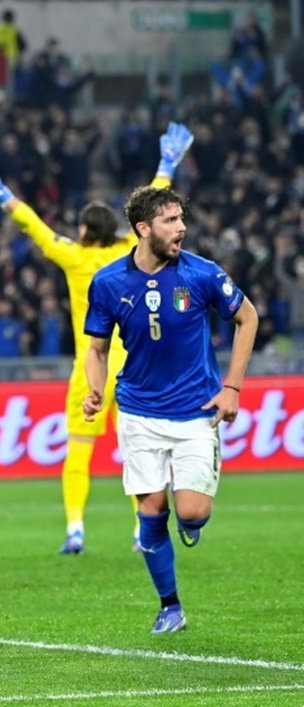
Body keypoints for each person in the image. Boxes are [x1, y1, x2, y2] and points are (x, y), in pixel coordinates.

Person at [0, 121, 195, 555]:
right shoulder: (131, 251)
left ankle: (75, 528)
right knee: (139, 453)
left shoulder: (74, 257)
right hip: (135, 368)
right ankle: (140, 531)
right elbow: (151, 213)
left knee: (79, 451)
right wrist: (167, 165)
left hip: (90, 366)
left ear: (86, 231)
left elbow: (35, 226)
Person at [82, 186, 258, 633]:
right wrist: (95, 390)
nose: (182, 228)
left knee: (193, 512)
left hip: (197, 410)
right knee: (150, 512)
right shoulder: (108, 283)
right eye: (171, 221)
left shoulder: (201, 274)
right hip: (139, 412)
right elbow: (97, 348)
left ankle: (192, 518)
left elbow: (247, 317)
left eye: (182, 218)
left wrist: (232, 387)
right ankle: (170, 606)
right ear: (144, 229)